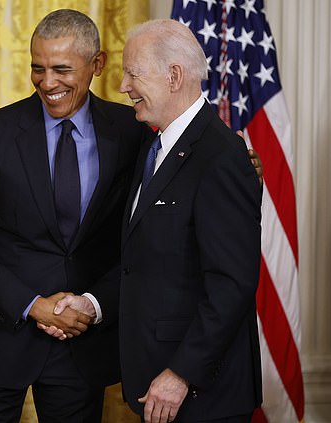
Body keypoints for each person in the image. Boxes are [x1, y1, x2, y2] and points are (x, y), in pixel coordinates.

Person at [0, 9, 150, 422]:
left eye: (61, 69)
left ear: (97, 65)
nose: (47, 82)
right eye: (38, 68)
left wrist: (241, 164)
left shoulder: (132, 130)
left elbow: (157, 217)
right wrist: (31, 304)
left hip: (81, 346)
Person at [117, 19, 262, 423]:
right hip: (157, 385)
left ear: (174, 75)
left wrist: (182, 373)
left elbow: (232, 284)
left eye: (133, 73)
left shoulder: (221, 157)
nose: (123, 86)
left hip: (201, 395)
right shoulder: (154, 145)